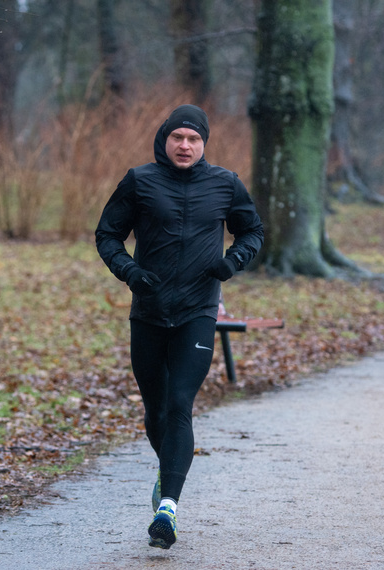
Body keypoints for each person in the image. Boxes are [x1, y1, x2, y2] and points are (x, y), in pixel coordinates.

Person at [95, 104, 263, 549]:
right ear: (164, 141)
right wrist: (129, 272)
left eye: (193, 139)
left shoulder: (225, 184)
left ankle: (168, 507)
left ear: (203, 143)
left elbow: (253, 232)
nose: (185, 145)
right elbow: (107, 235)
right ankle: (169, 469)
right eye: (177, 138)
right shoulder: (140, 181)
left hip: (198, 311)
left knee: (179, 405)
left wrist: (233, 262)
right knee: (155, 412)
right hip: (148, 312)